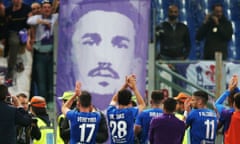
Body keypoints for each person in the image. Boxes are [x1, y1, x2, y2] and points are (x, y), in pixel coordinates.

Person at [57, 0, 148, 110]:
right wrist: (131, 87)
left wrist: (76, 94)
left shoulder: (108, 112)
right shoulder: (128, 113)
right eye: (90, 42)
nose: (104, 59)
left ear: (135, 58)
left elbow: (64, 109)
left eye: (120, 45)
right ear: (72, 52)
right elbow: (142, 105)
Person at [27, 0, 58, 103]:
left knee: (51, 80)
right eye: (44, 7)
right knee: (41, 81)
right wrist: (44, 22)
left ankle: (51, 103)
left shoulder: (55, 17)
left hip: (52, 55)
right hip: (40, 55)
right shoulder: (38, 18)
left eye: (48, 7)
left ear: (51, 9)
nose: (47, 9)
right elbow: (29, 21)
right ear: (41, 9)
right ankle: (42, 104)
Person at [107, 74, 146, 144]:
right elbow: (142, 104)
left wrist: (125, 85)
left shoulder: (110, 111)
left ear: (118, 100)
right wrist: (134, 88)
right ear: (130, 102)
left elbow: (114, 99)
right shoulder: (130, 112)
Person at [5, 0, 31, 85]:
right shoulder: (8, 10)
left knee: (25, 44)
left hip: (25, 31)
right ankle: (10, 74)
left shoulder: (27, 8)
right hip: (13, 32)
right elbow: (7, 25)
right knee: (15, 42)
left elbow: (29, 24)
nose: (16, 1)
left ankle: (19, 62)